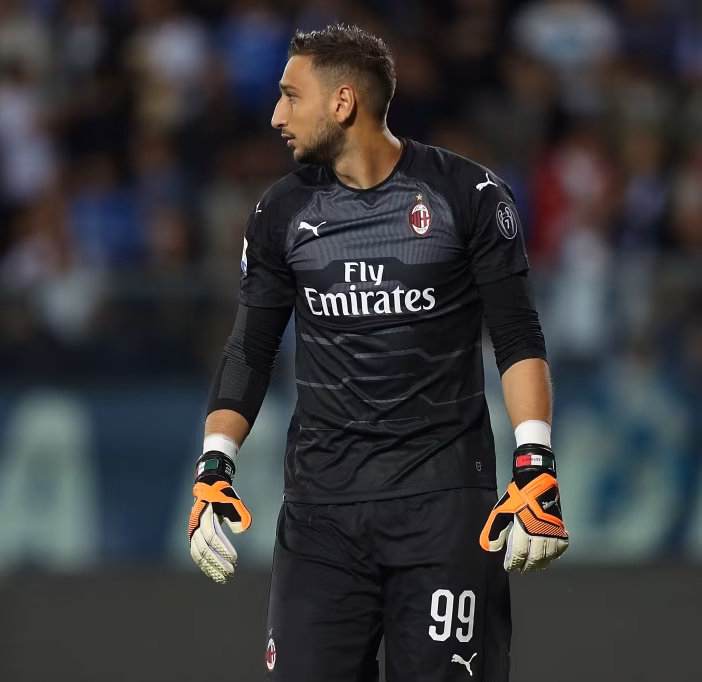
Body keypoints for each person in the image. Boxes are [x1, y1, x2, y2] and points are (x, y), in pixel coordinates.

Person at [186, 24, 568, 682]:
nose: (276, 116)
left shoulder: (468, 197)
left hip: (443, 506)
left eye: (291, 96)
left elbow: (516, 335)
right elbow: (249, 347)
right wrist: (215, 462)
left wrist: (535, 463)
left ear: (342, 102)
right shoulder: (280, 212)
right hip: (320, 516)